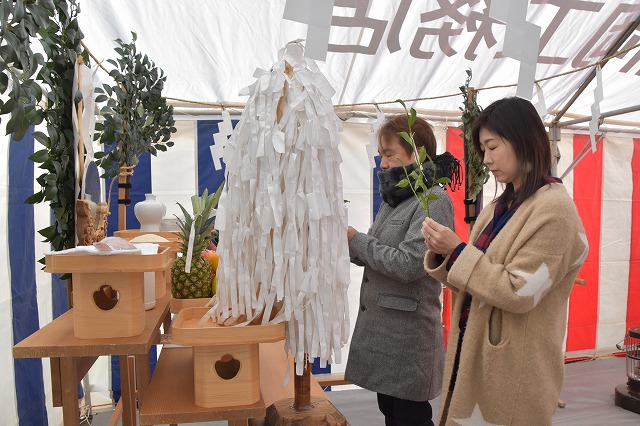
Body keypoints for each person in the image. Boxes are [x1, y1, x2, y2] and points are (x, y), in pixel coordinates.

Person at [422, 97, 589, 426]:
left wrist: (457, 251)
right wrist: (444, 252)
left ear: (524, 140)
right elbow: (473, 275)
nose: (487, 159)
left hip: (514, 369)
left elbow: (520, 290)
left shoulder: (554, 211)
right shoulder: (500, 206)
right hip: (474, 353)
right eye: (483, 149)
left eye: (492, 146)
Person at [345, 114, 461, 426]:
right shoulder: (395, 199)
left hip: (408, 339)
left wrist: (357, 241)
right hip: (387, 334)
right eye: (380, 154)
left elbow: (409, 264)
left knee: (411, 418)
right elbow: (377, 254)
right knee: (393, 414)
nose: (381, 163)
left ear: (417, 153)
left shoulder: (433, 200)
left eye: (388, 153)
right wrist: (349, 244)